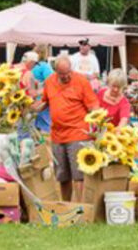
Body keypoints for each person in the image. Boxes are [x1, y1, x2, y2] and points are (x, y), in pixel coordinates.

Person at [32, 54, 99, 202]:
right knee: (62, 176)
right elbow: (45, 101)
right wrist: (33, 108)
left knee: (78, 175)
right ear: (56, 72)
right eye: (62, 75)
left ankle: (80, 208)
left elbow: (93, 104)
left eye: (69, 73)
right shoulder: (49, 82)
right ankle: (66, 204)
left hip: (78, 133)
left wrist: (98, 121)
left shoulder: (81, 81)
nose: (67, 77)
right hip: (57, 135)